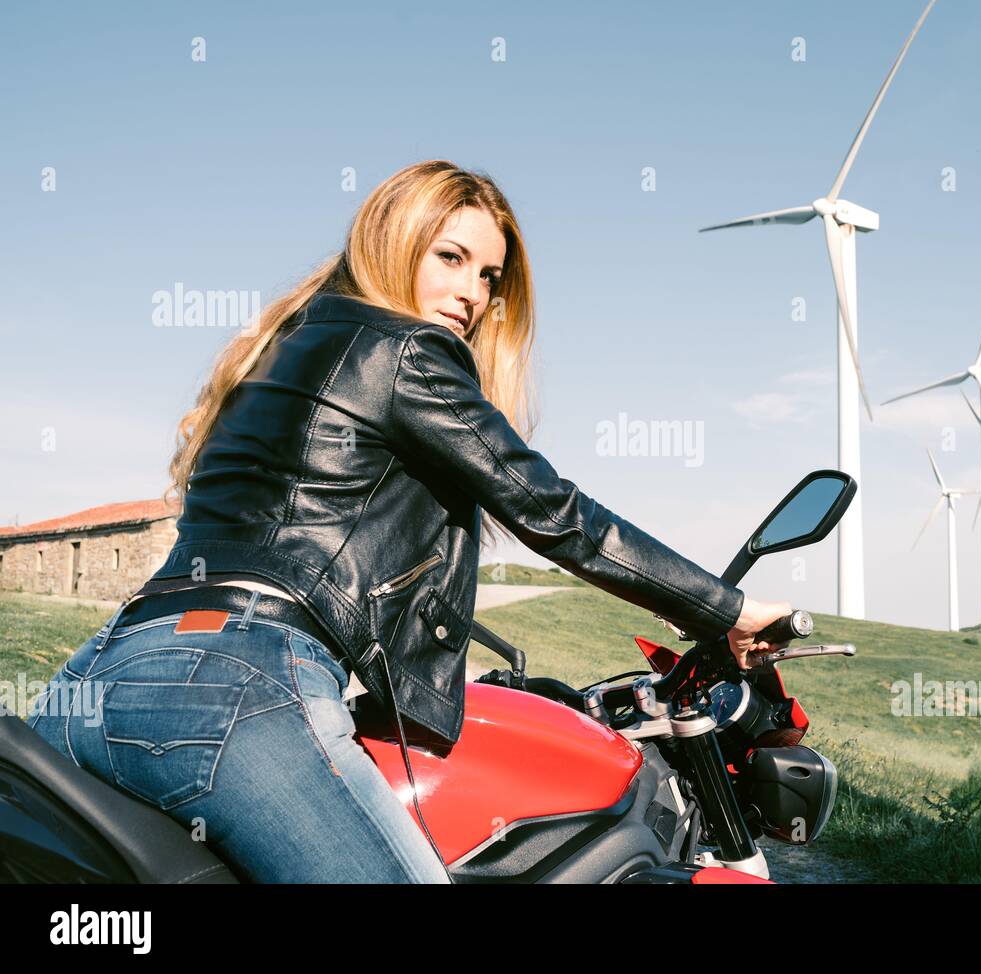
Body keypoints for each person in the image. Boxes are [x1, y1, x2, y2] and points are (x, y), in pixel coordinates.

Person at [25, 160, 794, 884]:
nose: (473, 293)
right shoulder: (403, 349)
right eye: (450, 258)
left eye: (489, 275)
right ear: (394, 245)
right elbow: (553, 513)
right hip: (236, 685)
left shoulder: (284, 351)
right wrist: (728, 611)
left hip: (94, 679)